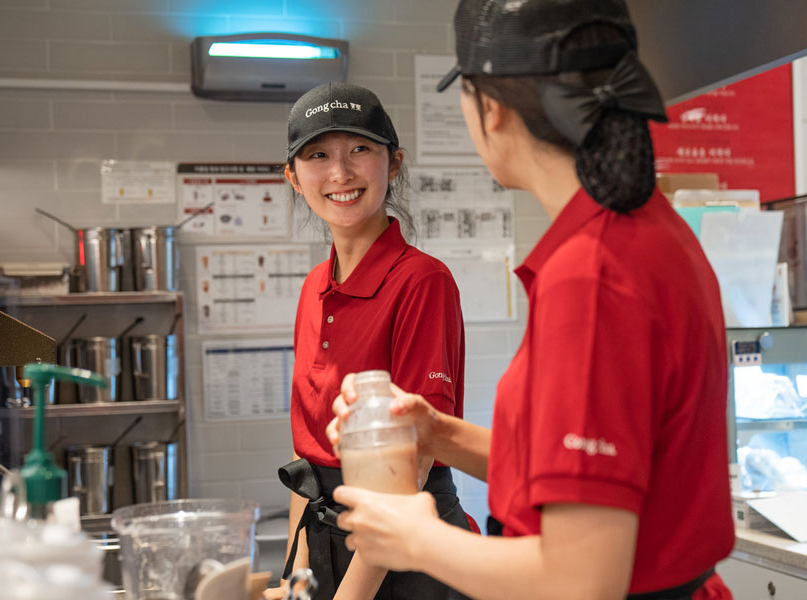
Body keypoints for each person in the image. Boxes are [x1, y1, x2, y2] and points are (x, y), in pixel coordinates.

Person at [326, 1, 736, 598]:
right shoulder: (649, 229)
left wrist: (415, 539)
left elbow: (581, 580)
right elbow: (594, 475)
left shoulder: (590, 280)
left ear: (489, 109)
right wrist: (439, 432)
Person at [266, 82, 472, 600]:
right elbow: (307, 460)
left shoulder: (422, 280)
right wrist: (295, 581)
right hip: (329, 542)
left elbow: (411, 466)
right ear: (293, 177)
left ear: (393, 163)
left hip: (408, 550)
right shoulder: (315, 286)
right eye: (318, 155)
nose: (340, 173)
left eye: (360, 149)